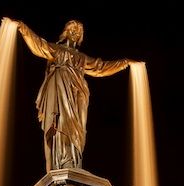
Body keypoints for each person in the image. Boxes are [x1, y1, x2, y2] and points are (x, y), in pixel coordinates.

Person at [13, 19, 131, 172]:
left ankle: (74, 162)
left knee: (78, 129)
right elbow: (39, 45)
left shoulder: (82, 58)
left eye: (79, 32)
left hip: (79, 93)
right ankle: (62, 162)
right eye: (72, 30)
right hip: (60, 90)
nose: (76, 33)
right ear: (66, 32)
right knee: (61, 123)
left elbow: (100, 67)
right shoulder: (56, 50)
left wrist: (124, 63)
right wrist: (22, 27)